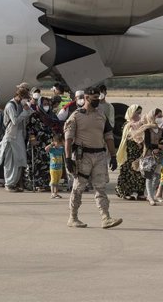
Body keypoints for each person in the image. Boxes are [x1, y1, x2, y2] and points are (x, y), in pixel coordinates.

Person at [64, 86, 122, 229]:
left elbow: (108, 136)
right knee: (78, 187)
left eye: (98, 97)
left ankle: (105, 217)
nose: (97, 101)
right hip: (82, 156)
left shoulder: (101, 115)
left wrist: (113, 156)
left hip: (100, 155)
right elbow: (68, 139)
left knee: (100, 187)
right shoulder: (76, 116)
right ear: (86, 98)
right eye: (95, 98)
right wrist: (67, 159)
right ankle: (73, 217)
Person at [0, 89, 32, 192]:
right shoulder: (10, 105)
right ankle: (9, 184)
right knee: (10, 161)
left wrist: (27, 110)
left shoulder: (20, 105)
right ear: (19, 96)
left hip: (19, 135)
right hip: (11, 136)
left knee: (19, 160)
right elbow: (15, 120)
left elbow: (28, 115)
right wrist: (25, 112)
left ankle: (14, 183)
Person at [26, 96, 63, 191]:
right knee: (38, 164)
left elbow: (56, 127)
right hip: (38, 143)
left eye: (47, 104)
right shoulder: (35, 115)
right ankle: (37, 184)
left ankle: (48, 184)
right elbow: (30, 129)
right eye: (44, 104)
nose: (46, 106)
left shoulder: (51, 115)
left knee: (48, 163)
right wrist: (33, 140)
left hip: (49, 143)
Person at [115, 104, 146, 200]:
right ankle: (125, 192)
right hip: (129, 152)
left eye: (140, 113)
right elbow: (128, 137)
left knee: (140, 172)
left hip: (139, 152)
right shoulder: (127, 125)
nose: (139, 115)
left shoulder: (142, 124)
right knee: (127, 172)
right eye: (137, 113)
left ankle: (140, 192)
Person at [138, 109, 163, 206]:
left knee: (157, 177)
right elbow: (148, 144)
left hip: (159, 156)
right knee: (149, 176)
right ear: (153, 117)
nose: (160, 118)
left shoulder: (161, 130)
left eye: (161, 116)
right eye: (158, 116)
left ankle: (151, 194)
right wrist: (157, 147)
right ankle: (150, 197)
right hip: (149, 156)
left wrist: (162, 147)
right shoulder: (147, 130)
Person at [45, 133, 65, 199]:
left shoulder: (61, 149)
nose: (60, 144)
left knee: (57, 182)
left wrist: (63, 142)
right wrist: (52, 144)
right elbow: (46, 149)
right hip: (53, 169)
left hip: (59, 168)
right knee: (53, 181)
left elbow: (66, 145)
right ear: (55, 142)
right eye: (58, 143)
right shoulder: (52, 149)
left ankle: (56, 193)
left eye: (60, 143)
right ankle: (52, 193)